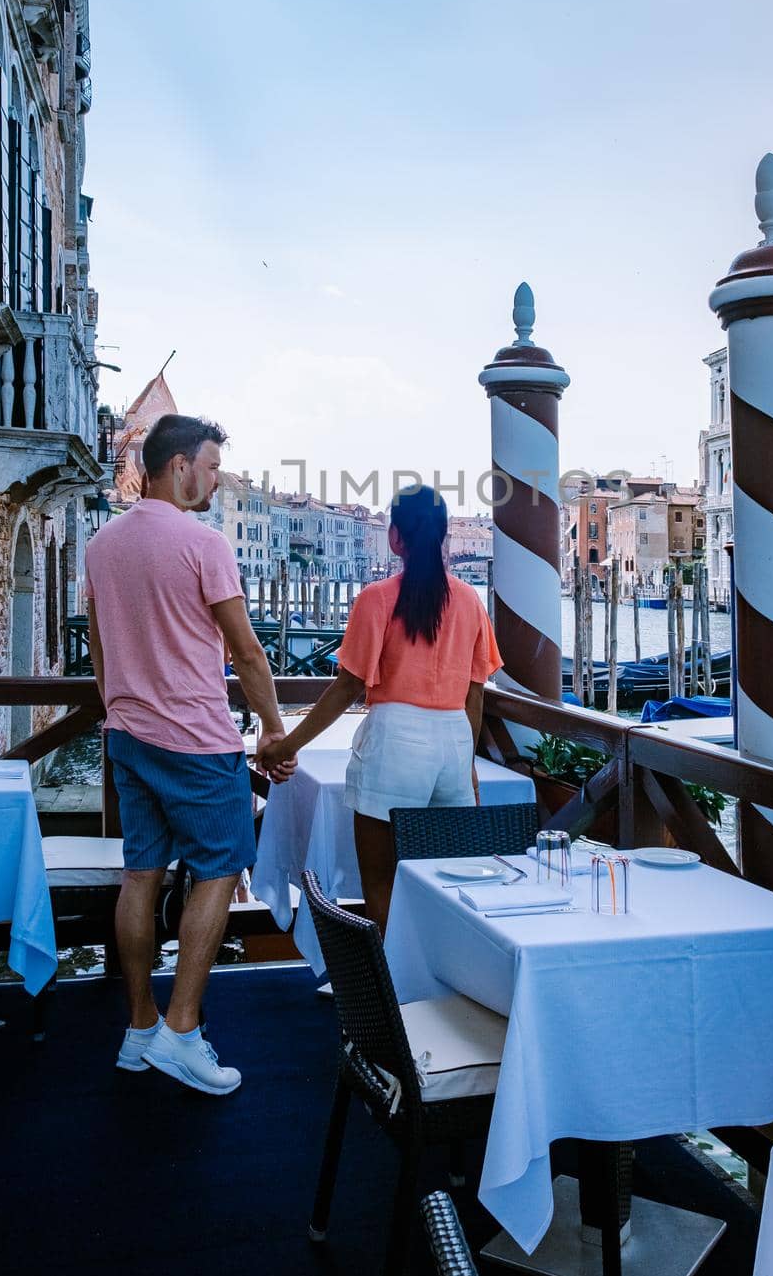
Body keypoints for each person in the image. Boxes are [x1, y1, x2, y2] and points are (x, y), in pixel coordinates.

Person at [86, 414, 289, 1096]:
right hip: (197, 741)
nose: (214, 478)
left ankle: (139, 1027)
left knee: (140, 875)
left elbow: (101, 650)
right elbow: (247, 650)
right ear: (178, 466)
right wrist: (271, 728)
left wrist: (117, 707)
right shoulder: (204, 544)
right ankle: (180, 1031)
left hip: (127, 734)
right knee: (218, 869)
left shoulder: (101, 543)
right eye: (208, 466)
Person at [259, 485, 503, 932]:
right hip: (453, 741)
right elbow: (476, 693)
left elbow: (347, 686)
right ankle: (436, 988)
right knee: (449, 886)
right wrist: (467, 764)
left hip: (395, 741)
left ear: (395, 538)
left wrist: (285, 746)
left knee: (382, 888)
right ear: (445, 536)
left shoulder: (377, 598)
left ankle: (391, 995)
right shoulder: (469, 601)